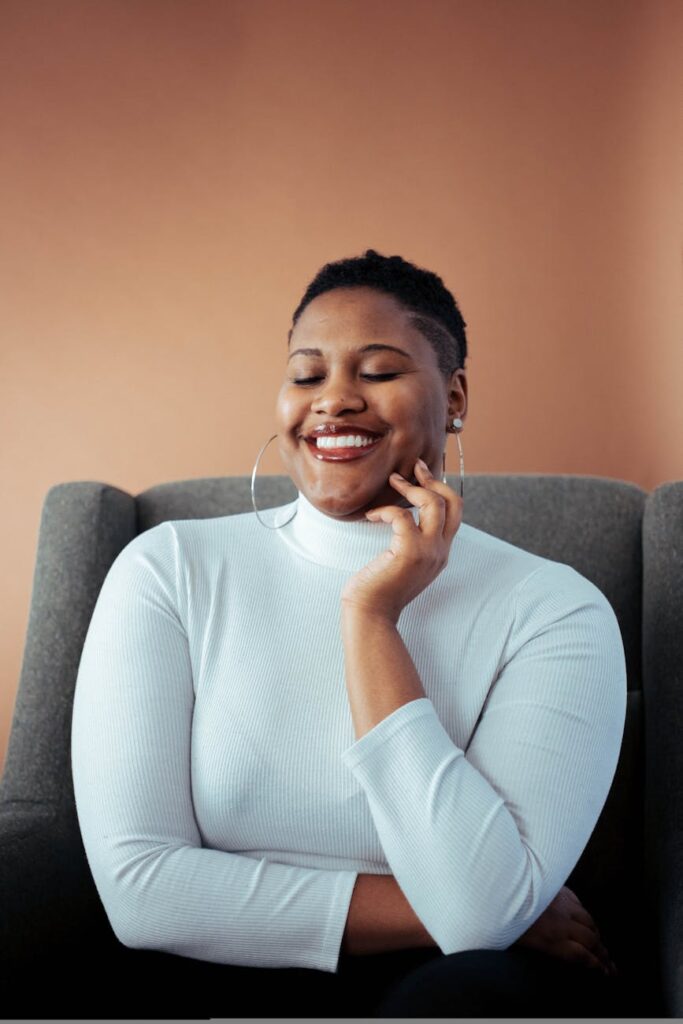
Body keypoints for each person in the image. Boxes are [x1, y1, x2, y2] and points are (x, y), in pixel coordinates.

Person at [71, 248, 629, 1018]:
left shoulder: (554, 609)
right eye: (306, 375)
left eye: (376, 372)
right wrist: (494, 907)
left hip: (453, 988)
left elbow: (474, 923)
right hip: (216, 969)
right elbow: (141, 895)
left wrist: (371, 618)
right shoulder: (169, 568)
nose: (332, 401)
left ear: (455, 396)